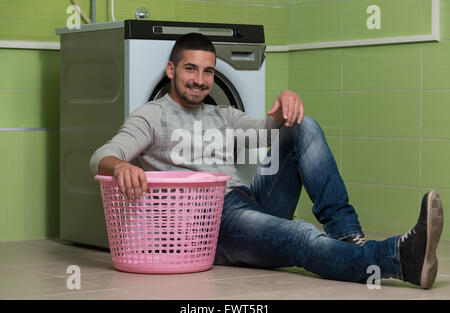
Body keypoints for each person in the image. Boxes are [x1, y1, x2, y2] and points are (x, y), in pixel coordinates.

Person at [90, 32, 444, 289]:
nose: (200, 81)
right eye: (190, 69)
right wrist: (120, 165)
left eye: (208, 72)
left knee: (302, 127)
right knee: (301, 235)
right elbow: (101, 157)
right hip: (210, 224)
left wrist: (286, 101)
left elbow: (267, 132)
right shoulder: (151, 116)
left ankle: (349, 238)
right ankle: (398, 258)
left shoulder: (221, 114)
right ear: (171, 70)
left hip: (245, 204)